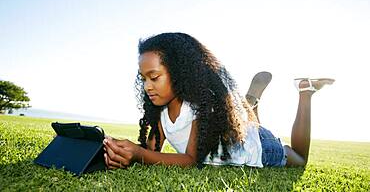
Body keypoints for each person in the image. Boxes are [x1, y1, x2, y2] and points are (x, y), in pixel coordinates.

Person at [103, 32, 334, 169]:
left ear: (180, 72)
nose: (147, 86)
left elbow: (190, 160)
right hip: (236, 132)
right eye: (143, 78)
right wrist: (121, 151)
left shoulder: (199, 106)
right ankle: (250, 104)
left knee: (300, 159)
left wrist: (139, 154)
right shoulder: (159, 111)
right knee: (246, 123)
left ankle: (305, 91)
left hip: (260, 148)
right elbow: (151, 152)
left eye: (154, 77)